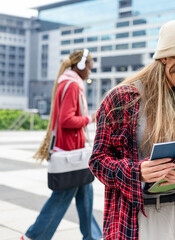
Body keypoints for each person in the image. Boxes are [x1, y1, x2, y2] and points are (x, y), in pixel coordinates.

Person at [89, 19, 175, 240]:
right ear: (165, 57)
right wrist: (137, 172)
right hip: (143, 217)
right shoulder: (124, 98)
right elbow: (98, 161)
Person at [22, 49, 102, 240]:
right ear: (80, 66)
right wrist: (90, 118)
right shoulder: (72, 86)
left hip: (73, 151)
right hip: (71, 152)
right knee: (62, 197)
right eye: (89, 69)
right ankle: (35, 236)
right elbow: (66, 120)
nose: (90, 73)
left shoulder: (67, 83)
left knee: (86, 193)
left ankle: (92, 236)